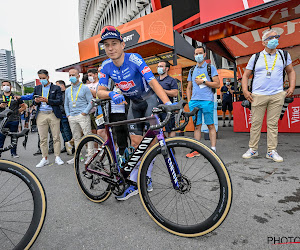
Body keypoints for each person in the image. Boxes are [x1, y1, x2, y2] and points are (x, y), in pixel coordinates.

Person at [97, 25, 172, 200]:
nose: (110, 48)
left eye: (114, 43)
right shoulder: (106, 65)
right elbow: (100, 90)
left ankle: (146, 177)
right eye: (106, 45)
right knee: (136, 141)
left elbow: (153, 82)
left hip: (150, 100)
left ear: (123, 45)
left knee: (152, 142)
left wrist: (167, 103)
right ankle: (135, 181)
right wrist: (111, 93)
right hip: (134, 104)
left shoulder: (135, 59)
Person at [242, 29, 296, 162]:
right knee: (256, 123)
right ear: (264, 42)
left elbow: (291, 71)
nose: (275, 40)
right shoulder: (256, 57)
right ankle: (253, 149)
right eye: (271, 38)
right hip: (258, 95)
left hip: (277, 94)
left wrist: (292, 86)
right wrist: (245, 90)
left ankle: (271, 151)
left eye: (277, 37)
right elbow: (245, 75)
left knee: (273, 124)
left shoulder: (284, 55)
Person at [17, 69, 64, 167]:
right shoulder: (37, 88)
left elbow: (59, 101)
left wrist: (48, 100)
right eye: (40, 78)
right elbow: (33, 101)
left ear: (48, 77)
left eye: (43, 78)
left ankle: (57, 157)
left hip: (53, 114)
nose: (42, 80)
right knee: (43, 138)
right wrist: (36, 101)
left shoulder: (56, 87)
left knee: (56, 137)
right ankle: (44, 158)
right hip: (41, 114)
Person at [186, 46, 220, 157]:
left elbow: (217, 84)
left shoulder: (211, 68)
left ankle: (213, 149)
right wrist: (189, 101)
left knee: (210, 125)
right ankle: (196, 150)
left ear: (204, 54)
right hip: (194, 102)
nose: (198, 55)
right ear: (194, 56)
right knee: (197, 126)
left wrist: (204, 81)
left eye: (200, 53)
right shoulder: (192, 70)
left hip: (207, 101)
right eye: (196, 54)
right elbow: (189, 87)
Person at [65, 68, 93, 165]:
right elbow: (66, 104)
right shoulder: (68, 90)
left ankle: (90, 155)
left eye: (73, 75)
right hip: (72, 116)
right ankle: (78, 156)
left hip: (82, 116)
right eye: (70, 75)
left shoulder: (85, 88)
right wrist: (68, 114)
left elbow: (91, 101)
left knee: (88, 135)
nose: (71, 77)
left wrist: (85, 112)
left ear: (78, 76)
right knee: (76, 137)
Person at [0, 81, 27, 158]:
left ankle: (14, 153)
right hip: (2, 121)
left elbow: (24, 106)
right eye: (4, 85)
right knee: (1, 137)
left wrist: (17, 112)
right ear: (2, 87)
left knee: (13, 136)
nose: (6, 86)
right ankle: (0, 152)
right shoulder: (0, 96)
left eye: (7, 85)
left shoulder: (16, 97)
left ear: (11, 87)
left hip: (14, 120)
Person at [156, 60, 178, 137]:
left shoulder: (171, 80)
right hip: (156, 109)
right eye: (158, 66)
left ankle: (171, 147)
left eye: (161, 66)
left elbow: (175, 93)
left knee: (170, 129)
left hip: (167, 109)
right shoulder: (155, 81)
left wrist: (162, 91)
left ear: (167, 69)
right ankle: (164, 145)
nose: (159, 68)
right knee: (157, 130)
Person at [56, 80, 73, 154]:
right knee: (62, 131)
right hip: (60, 115)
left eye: (57, 85)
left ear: (62, 85)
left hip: (65, 114)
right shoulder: (59, 94)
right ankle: (66, 146)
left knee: (67, 131)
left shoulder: (67, 93)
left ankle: (71, 146)